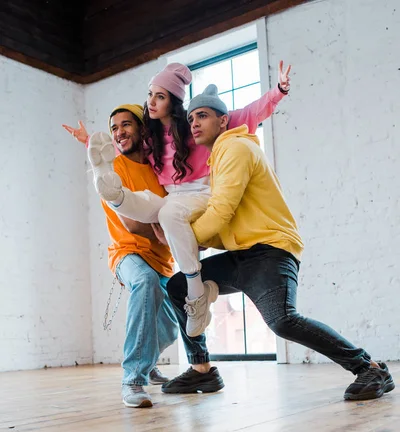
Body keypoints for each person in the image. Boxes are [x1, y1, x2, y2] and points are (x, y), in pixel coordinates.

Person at [161, 85, 395, 402]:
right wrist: (197, 243)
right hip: (241, 254)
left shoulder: (236, 149)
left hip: (270, 251)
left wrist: (186, 239)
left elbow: (220, 211)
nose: (195, 123)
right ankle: (202, 371)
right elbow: (227, 222)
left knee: (283, 320)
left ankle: (369, 367)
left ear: (223, 120)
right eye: (191, 119)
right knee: (178, 286)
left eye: (203, 115)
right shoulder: (223, 155)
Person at [86, 60, 291, 338]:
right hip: (173, 197)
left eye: (160, 96)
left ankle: (196, 291)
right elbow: (122, 141)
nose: (152, 102)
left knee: (168, 214)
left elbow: (248, 113)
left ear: (174, 101)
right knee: (146, 203)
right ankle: (115, 195)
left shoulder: (193, 125)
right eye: (150, 95)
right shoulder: (152, 138)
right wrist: (91, 143)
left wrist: (277, 91)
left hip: (201, 193)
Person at [63, 105, 178, 408]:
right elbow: (131, 223)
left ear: (142, 130)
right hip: (127, 253)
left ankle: (148, 361)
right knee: (145, 280)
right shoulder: (111, 170)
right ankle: (133, 379)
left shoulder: (158, 170)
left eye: (126, 125)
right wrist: (90, 143)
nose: (119, 132)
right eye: (114, 128)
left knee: (171, 328)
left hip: (163, 257)